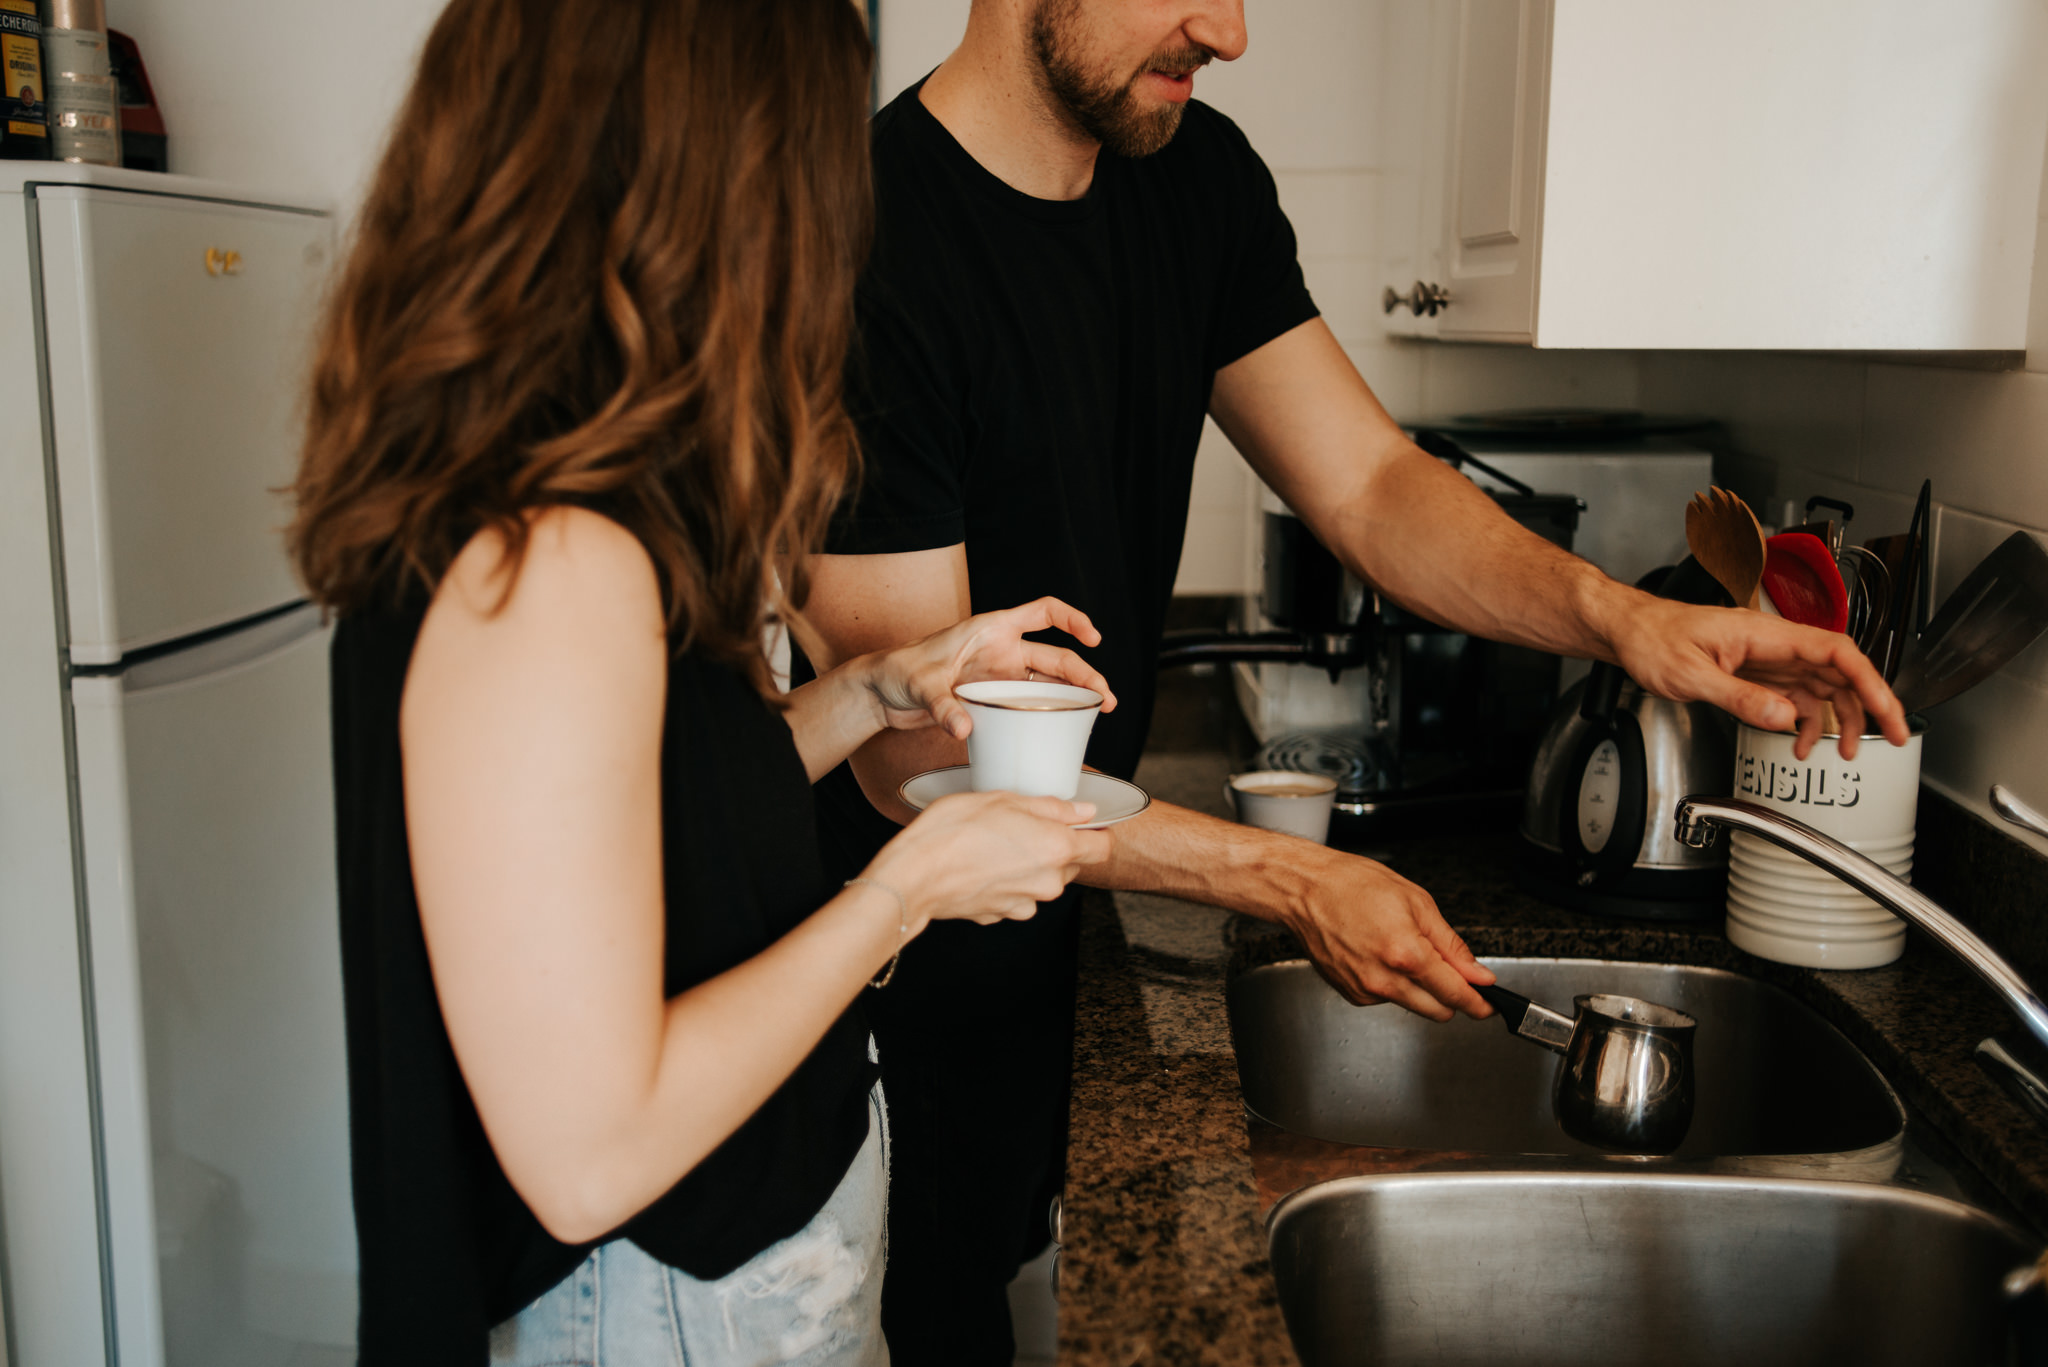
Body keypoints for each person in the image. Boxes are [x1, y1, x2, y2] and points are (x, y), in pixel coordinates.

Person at [793, 1, 1912, 1361]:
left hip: (1058, 946)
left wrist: (1624, 623)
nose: (1230, 29)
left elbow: (1372, 488)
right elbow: (920, 761)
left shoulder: (1195, 176)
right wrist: (1290, 878)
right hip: (889, 996)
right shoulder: (856, 241)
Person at [288, 1, 1119, 1362]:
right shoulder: (555, 560)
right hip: (663, 1300)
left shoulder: (554, 487)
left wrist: (871, 692)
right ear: (713, 180)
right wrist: (909, 889)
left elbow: (631, 821)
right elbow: (589, 1149)